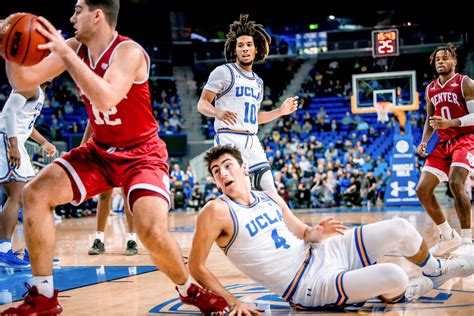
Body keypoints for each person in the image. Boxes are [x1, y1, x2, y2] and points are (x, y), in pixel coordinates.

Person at [0, 2, 225, 314]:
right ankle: (44, 295)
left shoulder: (129, 52)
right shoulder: (75, 47)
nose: (71, 17)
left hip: (141, 153)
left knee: (150, 230)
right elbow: (23, 82)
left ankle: (188, 289)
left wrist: (65, 55)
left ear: (97, 15)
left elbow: (106, 96)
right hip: (100, 151)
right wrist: (10, 47)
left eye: (77, 10)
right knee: (34, 193)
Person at [189, 144, 474, 315]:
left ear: (243, 167)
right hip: (305, 285)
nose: (223, 174)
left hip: (321, 250)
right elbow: (198, 267)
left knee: (400, 227)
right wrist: (232, 300)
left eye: (227, 165)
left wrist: (318, 231)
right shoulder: (215, 211)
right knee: (394, 275)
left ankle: (436, 269)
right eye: (216, 171)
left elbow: (303, 233)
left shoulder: (269, 197)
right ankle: (408, 290)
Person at [197, 14, 298, 192]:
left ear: (256, 49)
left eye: (249, 45)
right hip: (229, 139)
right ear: (234, 50)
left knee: (270, 192)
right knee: (240, 194)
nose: (245, 49)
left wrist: (280, 111)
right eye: (240, 45)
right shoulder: (223, 72)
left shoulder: (258, 82)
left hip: (252, 140)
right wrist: (217, 112)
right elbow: (202, 103)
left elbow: (255, 118)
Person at [416, 43, 474, 257]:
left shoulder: (464, 82)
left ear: (454, 61)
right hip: (443, 142)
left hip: (465, 138)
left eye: (445, 58)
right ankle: (447, 235)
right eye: (437, 59)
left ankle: (468, 240)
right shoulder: (431, 88)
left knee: (456, 181)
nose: (440, 61)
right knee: (422, 190)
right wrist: (424, 141)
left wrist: (451, 123)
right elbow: (430, 120)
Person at [0, 82, 57, 269]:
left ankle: (31, 251)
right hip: (7, 141)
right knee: (16, 195)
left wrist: (44, 142)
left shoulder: (39, 92)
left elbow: (26, 123)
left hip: (16, 142)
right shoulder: (30, 86)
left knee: (31, 197)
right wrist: (13, 145)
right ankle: (4, 249)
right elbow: (8, 113)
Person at [80, 121, 138, 256]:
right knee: (104, 196)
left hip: (127, 151)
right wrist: (82, 145)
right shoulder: (101, 103)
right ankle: (99, 239)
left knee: (127, 196)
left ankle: (132, 239)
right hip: (106, 151)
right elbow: (92, 120)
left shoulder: (129, 103)